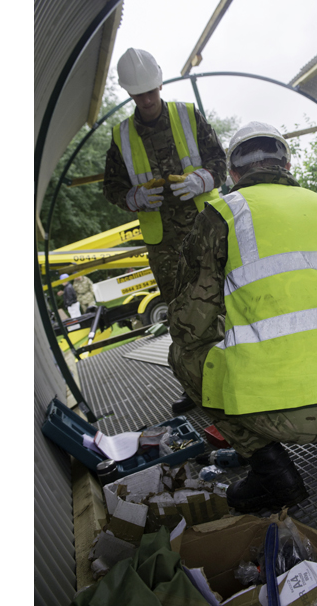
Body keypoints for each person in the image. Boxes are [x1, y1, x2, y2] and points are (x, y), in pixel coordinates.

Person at [167, 122, 317, 513]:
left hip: (280, 414)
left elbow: (190, 325)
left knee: (183, 354)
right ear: (288, 163)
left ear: (233, 173)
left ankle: (270, 471)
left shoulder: (223, 213)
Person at [103, 47, 228, 415]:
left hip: (208, 230)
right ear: (128, 93)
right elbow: (111, 187)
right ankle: (197, 390)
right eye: (138, 94)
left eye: (151, 91)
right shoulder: (122, 135)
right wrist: (134, 196)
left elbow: (220, 161)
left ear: (160, 83)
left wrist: (204, 177)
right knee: (182, 316)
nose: (146, 100)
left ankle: (245, 373)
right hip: (165, 244)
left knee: (229, 302)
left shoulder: (189, 115)